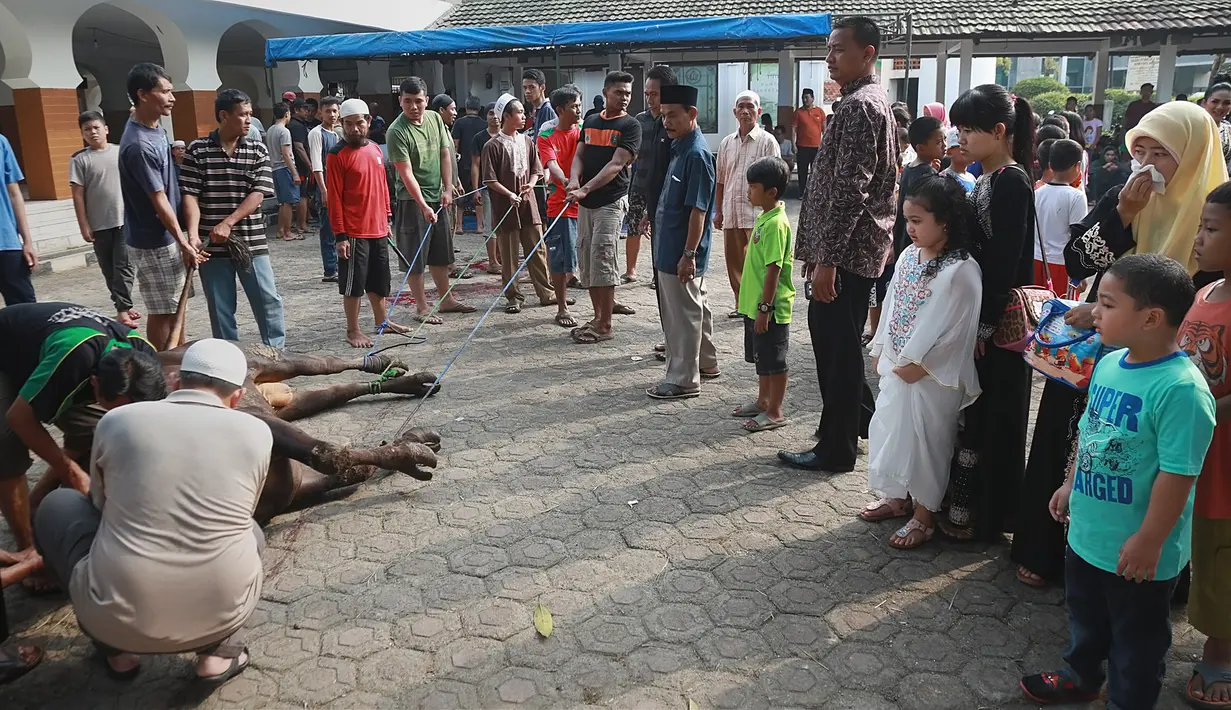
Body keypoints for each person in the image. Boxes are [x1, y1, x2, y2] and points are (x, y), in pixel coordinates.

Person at [1011, 99, 1229, 587]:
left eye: (1162, 154)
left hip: (1165, 365)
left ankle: (1144, 561)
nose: (1147, 166)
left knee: (1150, 459)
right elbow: (1079, 259)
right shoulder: (1124, 197)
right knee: (1074, 440)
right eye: (1141, 151)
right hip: (1103, 344)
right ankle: (1049, 549)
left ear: (1192, 157)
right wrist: (1124, 217)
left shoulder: (1214, 215)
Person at [1020, 253, 1215, 709]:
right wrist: (1070, 484)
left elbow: (1179, 474)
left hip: (1139, 555)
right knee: (1086, 618)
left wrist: (1149, 539)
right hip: (1089, 534)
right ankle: (1082, 676)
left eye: (1107, 305)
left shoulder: (1181, 389)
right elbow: (1089, 429)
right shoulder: (1110, 364)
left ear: (1150, 318)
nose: (1094, 312)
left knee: (1137, 644)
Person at [32, 339, 272, 681]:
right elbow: (242, 509)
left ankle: (118, 655)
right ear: (237, 399)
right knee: (249, 532)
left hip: (114, 621)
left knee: (59, 504)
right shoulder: (258, 432)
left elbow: (98, 504)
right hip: (220, 615)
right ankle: (217, 656)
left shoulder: (118, 421)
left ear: (174, 382)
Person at [779, 17, 896, 474]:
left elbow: (850, 190)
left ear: (867, 53)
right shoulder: (861, 101)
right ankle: (854, 422)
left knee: (836, 349)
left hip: (847, 254)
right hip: (851, 251)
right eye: (827, 50)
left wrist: (826, 261)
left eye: (838, 50)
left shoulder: (859, 107)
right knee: (839, 343)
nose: (829, 58)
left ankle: (837, 448)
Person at [0, 303, 164, 593]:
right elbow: (19, 417)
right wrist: (70, 470)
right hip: (8, 356)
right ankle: (28, 547)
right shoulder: (73, 357)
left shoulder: (145, 354)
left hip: (54, 360)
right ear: (94, 384)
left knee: (94, 430)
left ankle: (36, 499)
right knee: (6, 450)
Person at [861, 175, 983, 547]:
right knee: (892, 430)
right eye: (907, 220)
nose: (909, 229)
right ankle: (897, 497)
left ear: (944, 220)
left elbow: (959, 330)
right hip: (900, 365)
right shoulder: (909, 257)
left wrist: (922, 365)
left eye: (917, 221)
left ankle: (924, 514)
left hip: (933, 376)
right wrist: (883, 347)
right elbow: (893, 304)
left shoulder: (962, 269)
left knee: (929, 441)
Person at [939, 84, 1038, 542]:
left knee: (995, 417)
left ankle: (991, 515)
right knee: (978, 414)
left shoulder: (1011, 180)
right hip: (984, 314)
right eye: (958, 128)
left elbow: (1003, 261)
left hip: (999, 321)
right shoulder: (986, 178)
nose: (960, 137)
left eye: (968, 130)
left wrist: (983, 325)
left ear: (999, 132)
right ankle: (971, 509)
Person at [181, 89, 285, 349]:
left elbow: (258, 194)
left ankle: (276, 354)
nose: (249, 120)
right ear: (224, 116)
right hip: (211, 246)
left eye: (250, 114)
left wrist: (228, 223)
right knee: (221, 308)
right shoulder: (198, 151)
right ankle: (229, 361)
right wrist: (193, 235)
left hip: (251, 242)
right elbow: (190, 195)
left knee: (268, 300)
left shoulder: (256, 148)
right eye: (243, 115)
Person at [1181, 182, 1231, 708]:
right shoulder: (1204, 293)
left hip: (1224, 455)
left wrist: (1201, 406)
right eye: (1199, 225)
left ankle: (1221, 650)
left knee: (1222, 553)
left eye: (1212, 229)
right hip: (1192, 448)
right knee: (1201, 544)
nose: (1198, 239)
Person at [119, 62, 205, 351]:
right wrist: (183, 242)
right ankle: (162, 366)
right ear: (143, 95)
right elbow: (158, 200)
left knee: (176, 305)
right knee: (163, 310)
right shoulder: (139, 145)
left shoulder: (151, 126)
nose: (172, 97)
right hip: (153, 239)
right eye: (165, 92)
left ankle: (177, 359)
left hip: (168, 234)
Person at [645, 84, 718, 399]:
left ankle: (684, 379)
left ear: (692, 114)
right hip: (671, 247)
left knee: (681, 317)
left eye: (673, 115)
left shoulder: (696, 154)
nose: (667, 122)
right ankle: (707, 364)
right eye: (663, 116)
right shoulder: (679, 147)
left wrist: (688, 254)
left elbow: (698, 212)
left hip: (681, 251)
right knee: (695, 307)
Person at [387, 76, 474, 324]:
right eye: (407, 102)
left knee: (441, 253)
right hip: (411, 201)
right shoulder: (396, 131)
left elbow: (445, 154)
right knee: (415, 257)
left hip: (438, 197)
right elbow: (405, 174)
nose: (413, 107)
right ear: (400, 101)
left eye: (418, 101)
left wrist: (447, 188)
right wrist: (423, 205)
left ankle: (445, 299)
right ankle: (422, 307)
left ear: (426, 100)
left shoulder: (436, 119)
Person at [567, 71, 641, 344]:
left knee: (603, 257)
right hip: (585, 202)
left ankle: (606, 324)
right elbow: (579, 155)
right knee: (586, 258)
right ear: (606, 92)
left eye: (628, 93)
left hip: (611, 201)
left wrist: (585, 188)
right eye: (619, 92)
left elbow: (616, 165)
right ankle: (598, 317)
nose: (624, 98)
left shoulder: (631, 126)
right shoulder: (591, 121)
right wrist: (575, 180)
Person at [326, 99, 407, 349]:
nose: (354, 129)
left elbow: (383, 188)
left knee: (379, 280)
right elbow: (334, 198)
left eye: (359, 123)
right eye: (348, 124)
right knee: (353, 285)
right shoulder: (336, 155)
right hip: (353, 232)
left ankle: (382, 321)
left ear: (368, 122)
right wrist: (340, 236)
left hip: (378, 229)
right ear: (342, 125)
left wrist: (387, 219)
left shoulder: (374, 149)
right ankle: (353, 330)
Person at [869, 115, 944, 345]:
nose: (945, 146)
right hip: (918, 242)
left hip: (903, 239)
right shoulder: (928, 175)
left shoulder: (910, 168)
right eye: (939, 141)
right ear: (922, 147)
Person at [733, 156, 795, 431]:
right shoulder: (764, 217)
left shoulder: (776, 224)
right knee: (761, 358)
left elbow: (774, 271)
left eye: (753, 187)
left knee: (775, 360)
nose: (749, 191)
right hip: (754, 306)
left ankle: (775, 410)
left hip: (770, 310)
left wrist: (765, 309)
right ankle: (762, 401)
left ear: (772, 192)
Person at [481, 95, 555, 314]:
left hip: (528, 204)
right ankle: (514, 296)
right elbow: (489, 179)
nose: (524, 116)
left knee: (537, 249)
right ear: (507, 116)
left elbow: (536, 169)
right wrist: (509, 194)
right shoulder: (491, 145)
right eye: (520, 112)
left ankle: (547, 293)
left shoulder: (527, 141)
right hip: (506, 207)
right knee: (510, 253)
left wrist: (531, 185)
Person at [715, 90, 780, 318]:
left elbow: (775, 179)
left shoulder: (767, 142)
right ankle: (740, 304)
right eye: (741, 107)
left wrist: (770, 213)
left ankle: (759, 305)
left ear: (759, 112)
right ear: (734, 112)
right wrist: (719, 211)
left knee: (757, 263)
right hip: (732, 213)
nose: (745, 111)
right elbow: (721, 180)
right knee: (734, 263)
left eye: (750, 107)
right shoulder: (726, 143)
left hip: (755, 215)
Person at [71, 111, 137, 327]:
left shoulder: (120, 152)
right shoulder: (80, 159)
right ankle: (122, 303)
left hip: (123, 221)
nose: (93, 132)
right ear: (82, 133)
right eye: (87, 129)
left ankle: (123, 309)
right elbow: (78, 195)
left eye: (96, 127)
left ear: (106, 129)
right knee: (108, 269)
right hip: (99, 223)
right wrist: (84, 225)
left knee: (123, 265)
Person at [630, 64, 679, 293]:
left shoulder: (675, 127)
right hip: (642, 186)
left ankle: (663, 276)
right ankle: (645, 273)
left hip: (667, 194)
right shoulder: (639, 121)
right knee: (638, 231)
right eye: (647, 94)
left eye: (655, 94)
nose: (650, 99)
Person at [539, 86, 583, 328]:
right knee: (559, 258)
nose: (579, 110)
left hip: (585, 202)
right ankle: (562, 307)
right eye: (574, 106)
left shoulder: (585, 130)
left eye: (579, 104)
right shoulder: (546, 135)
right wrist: (567, 183)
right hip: (561, 205)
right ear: (560, 109)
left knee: (590, 255)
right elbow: (552, 166)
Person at [1033, 139, 1088, 289]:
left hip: (1036, 260)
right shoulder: (1076, 196)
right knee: (1062, 308)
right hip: (1062, 265)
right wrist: (1080, 273)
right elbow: (1078, 237)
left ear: (1050, 165)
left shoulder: (1037, 193)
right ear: (1078, 166)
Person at [309, 96, 343, 282]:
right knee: (328, 229)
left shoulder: (336, 135)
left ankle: (338, 265)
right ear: (320, 112)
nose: (332, 114)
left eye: (335, 111)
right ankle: (330, 269)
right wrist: (323, 190)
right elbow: (317, 165)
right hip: (325, 188)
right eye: (328, 111)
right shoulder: (316, 133)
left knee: (337, 227)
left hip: (337, 188)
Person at [0, 130, 35, 306]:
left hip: (6, 242)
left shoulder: (1, 142)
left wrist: (27, 241)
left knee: (25, 309)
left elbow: (14, 194)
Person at [471, 102, 502, 274]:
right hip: (488, 187)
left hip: (507, 187)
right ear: (486, 116)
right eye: (491, 113)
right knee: (490, 225)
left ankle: (500, 257)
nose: (495, 117)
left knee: (504, 224)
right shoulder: (479, 138)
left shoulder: (508, 135)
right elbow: (475, 165)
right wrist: (476, 189)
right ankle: (492, 261)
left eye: (497, 113)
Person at [453, 97, 488, 236]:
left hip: (463, 163)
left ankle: (459, 226)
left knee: (461, 194)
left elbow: (455, 143)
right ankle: (480, 226)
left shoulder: (459, 123)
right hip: (480, 164)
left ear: (466, 108)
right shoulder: (484, 124)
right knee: (478, 193)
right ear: (480, 110)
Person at [265, 103, 300, 242]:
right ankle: (287, 231)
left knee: (282, 202)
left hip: (275, 168)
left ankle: (280, 230)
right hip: (285, 167)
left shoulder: (270, 130)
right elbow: (286, 154)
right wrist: (295, 173)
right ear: (287, 114)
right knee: (288, 202)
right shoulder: (284, 132)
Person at [791, 88, 826, 197]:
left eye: (807, 97)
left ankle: (815, 193)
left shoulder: (820, 111)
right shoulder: (798, 112)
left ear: (812, 98)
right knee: (802, 172)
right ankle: (802, 192)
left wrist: (825, 144)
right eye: (803, 97)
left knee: (816, 172)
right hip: (802, 147)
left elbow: (825, 130)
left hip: (817, 147)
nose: (805, 100)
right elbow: (793, 130)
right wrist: (793, 144)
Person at [288, 99, 313, 235]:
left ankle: (301, 223)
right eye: (304, 109)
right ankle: (302, 224)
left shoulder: (295, 124)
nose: (307, 112)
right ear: (296, 110)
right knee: (302, 195)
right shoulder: (296, 126)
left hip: (297, 165)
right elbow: (299, 147)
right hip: (300, 166)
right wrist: (309, 164)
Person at [1201, 81, 1231, 171]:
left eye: (1227, 103)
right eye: (1215, 101)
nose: (1220, 107)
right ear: (1204, 103)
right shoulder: (1192, 127)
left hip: (1221, 182)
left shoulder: (1228, 129)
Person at [522, 68, 557, 139]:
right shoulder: (538, 109)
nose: (527, 91)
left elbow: (545, 140)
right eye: (525, 88)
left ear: (542, 87)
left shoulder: (546, 109)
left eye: (532, 87)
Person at [940, 127, 976, 193]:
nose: (971, 151)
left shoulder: (972, 178)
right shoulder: (944, 179)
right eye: (963, 146)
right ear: (949, 152)